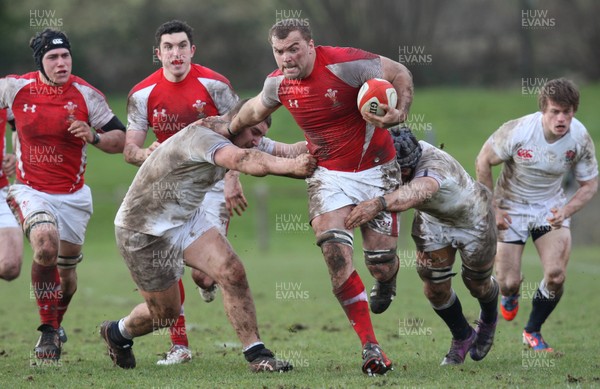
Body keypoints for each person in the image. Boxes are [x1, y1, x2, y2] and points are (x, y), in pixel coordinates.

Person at [225, 18, 413, 375]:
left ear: (311, 46)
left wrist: (400, 113)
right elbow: (249, 113)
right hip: (328, 175)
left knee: (381, 262)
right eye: (279, 52)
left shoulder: (347, 63)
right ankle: (371, 348)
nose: (286, 58)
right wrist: (226, 133)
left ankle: (386, 281)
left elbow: (400, 72)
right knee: (334, 253)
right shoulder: (278, 84)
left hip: (378, 169)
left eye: (293, 49)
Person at [100, 99, 316, 372]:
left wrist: (337, 139)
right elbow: (243, 160)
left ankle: (257, 354)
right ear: (239, 122)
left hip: (184, 218)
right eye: (255, 133)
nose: (258, 140)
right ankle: (117, 333)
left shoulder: (242, 135)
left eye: (262, 133)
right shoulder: (202, 137)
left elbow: (288, 150)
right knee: (165, 314)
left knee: (232, 272)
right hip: (142, 228)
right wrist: (294, 168)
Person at [0, 28, 126, 361]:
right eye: (52, 57)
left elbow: (121, 139)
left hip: (73, 197)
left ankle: (54, 326)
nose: (61, 63)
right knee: (45, 244)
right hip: (30, 190)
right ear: (40, 62)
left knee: (67, 279)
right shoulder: (14, 87)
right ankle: (46, 331)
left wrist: (94, 137)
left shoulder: (87, 95)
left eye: (65, 56)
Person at [125, 19, 239, 365]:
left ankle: (206, 283)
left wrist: (234, 176)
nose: (176, 53)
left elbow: (242, 132)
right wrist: (149, 154)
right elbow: (130, 150)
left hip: (212, 184)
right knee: (169, 266)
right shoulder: (142, 94)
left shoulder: (216, 85)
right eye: (168, 47)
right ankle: (180, 346)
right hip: (169, 190)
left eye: (182, 46)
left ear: (193, 50)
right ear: (157, 54)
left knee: (206, 274)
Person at [346, 129, 499, 365]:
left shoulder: (434, 165)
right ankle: (463, 335)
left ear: (414, 161)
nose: (399, 177)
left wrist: (377, 204)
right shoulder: (388, 158)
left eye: (404, 172)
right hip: (433, 223)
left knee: (477, 285)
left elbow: (414, 193)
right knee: (434, 289)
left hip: (473, 219)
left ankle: (488, 319)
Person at [475, 78, 598, 352]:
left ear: (574, 111)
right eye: (555, 111)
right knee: (507, 283)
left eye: (567, 112)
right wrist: (492, 207)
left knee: (555, 275)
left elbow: (590, 184)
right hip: (511, 206)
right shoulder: (518, 131)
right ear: (543, 109)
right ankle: (511, 294)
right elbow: (483, 161)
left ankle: (532, 331)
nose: (561, 118)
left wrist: (566, 210)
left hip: (549, 208)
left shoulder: (579, 138)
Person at [0, 108, 23, 281]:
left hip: (1, 189)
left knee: (10, 265)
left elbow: (23, 123)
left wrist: (16, 154)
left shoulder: (3, 94)